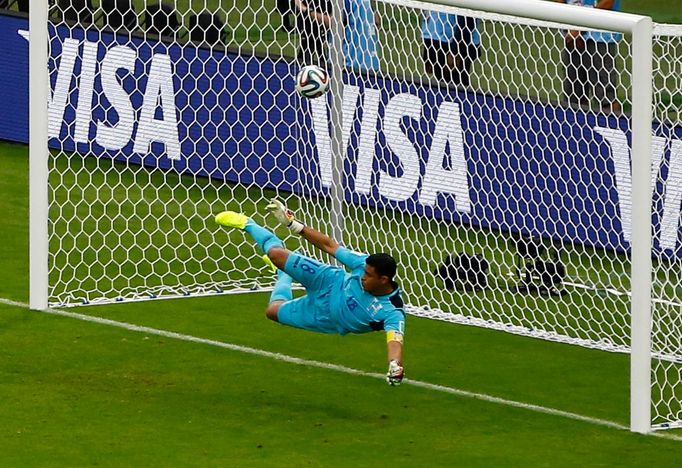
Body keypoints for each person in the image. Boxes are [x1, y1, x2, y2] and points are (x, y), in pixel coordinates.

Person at [214, 199, 406, 386]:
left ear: (383, 280)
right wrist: (293, 224)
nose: (363, 276)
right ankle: (247, 223)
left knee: (272, 311)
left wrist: (394, 365)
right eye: (363, 272)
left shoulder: (392, 311)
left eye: (368, 275)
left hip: (324, 316)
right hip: (328, 281)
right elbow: (330, 245)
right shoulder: (363, 263)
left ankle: (283, 275)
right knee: (276, 255)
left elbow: (395, 340)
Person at [558, 0, 622, 112]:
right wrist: (568, 26)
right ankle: (577, 127)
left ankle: (614, 128)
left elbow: (607, 2)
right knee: (574, 96)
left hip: (599, 35)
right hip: (572, 34)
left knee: (605, 96)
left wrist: (580, 27)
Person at [422, 11, 481, 87]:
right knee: (443, 85)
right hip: (434, 38)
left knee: (456, 87)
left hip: (452, 42)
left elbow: (468, 17)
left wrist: (455, 51)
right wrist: (427, 51)